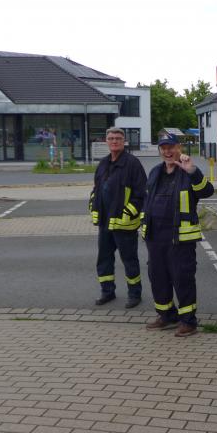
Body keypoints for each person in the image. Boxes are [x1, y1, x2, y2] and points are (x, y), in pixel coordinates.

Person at [142, 133, 214, 337]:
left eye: (171, 147)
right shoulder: (155, 172)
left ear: (178, 148)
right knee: (158, 277)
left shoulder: (188, 172)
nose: (167, 151)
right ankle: (166, 316)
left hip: (180, 238)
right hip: (155, 236)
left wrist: (192, 171)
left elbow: (207, 191)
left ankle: (188, 322)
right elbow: (147, 200)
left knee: (182, 279)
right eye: (163, 148)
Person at [88, 127, 147, 308]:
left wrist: (128, 213)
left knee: (129, 260)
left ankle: (135, 294)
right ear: (106, 141)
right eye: (111, 138)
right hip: (105, 223)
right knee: (104, 259)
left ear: (124, 141)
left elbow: (141, 194)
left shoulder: (132, 164)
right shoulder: (103, 163)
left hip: (124, 224)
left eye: (118, 138)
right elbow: (96, 189)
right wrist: (93, 205)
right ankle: (107, 292)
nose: (114, 141)